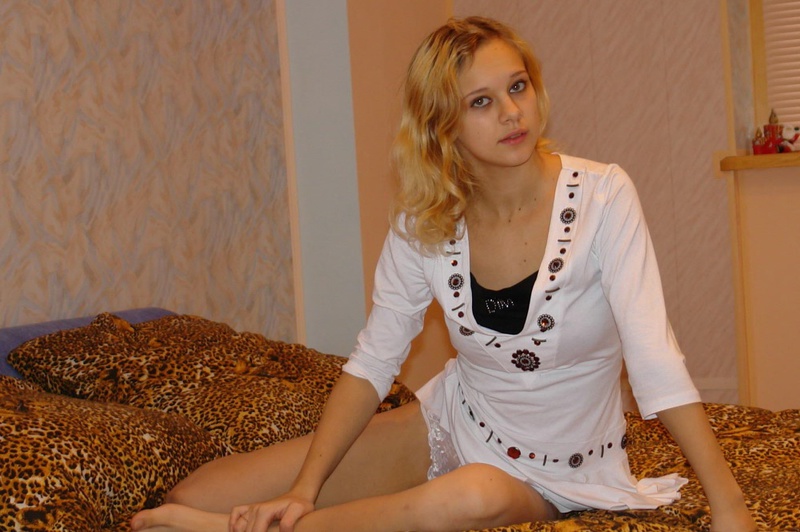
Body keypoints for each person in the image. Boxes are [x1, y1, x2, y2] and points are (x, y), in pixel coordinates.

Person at [131, 16, 755, 532]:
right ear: (442, 127)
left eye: (517, 87)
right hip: (456, 423)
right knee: (196, 492)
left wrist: (728, 505)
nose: (511, 112)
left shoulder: (603, 197)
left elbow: (653, 357)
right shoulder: (426, 221)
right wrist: (303, 487)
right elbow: (373, 362)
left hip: (562, 471)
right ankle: (241, 516)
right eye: (481, 102)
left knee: (468, 498)